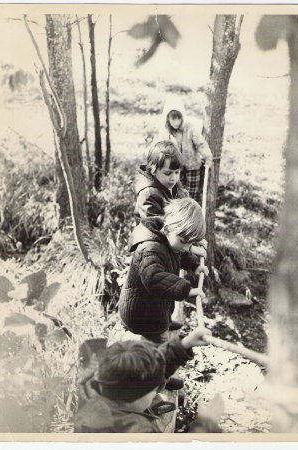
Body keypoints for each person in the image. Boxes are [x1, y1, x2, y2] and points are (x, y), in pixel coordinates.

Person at [74, 326, 224, 433]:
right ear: (133, 397)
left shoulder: (93, 387)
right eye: (153, 390)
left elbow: (142, 368)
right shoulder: (137, 430)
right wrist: (206, 425)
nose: (155, 394)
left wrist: (183, 344)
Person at [118, 197, 208, 345]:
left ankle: (164, 326)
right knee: (154, 347)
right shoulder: (150, 249)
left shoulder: (170, 240)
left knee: (160, 328)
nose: (187, 247)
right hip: (141, 316)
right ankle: (156, 351)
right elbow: (153, 278)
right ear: (166, 229)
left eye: (190, 243)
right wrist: (186, 290)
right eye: (183, 242)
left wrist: (194, 266)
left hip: (154, 309)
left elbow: (179, 254)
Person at [157, 96, 213, 203]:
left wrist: (208, 157)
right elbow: (159, 148)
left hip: (193, 167)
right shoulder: (165, 132)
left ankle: (192, 215)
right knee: (177, 196)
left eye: (179, 118)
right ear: (168, 118)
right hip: (175, 169)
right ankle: (180, 217)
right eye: (173, 118)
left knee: (191, 196)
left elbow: (201, 143)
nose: (176, 122)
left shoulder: (189, 129)